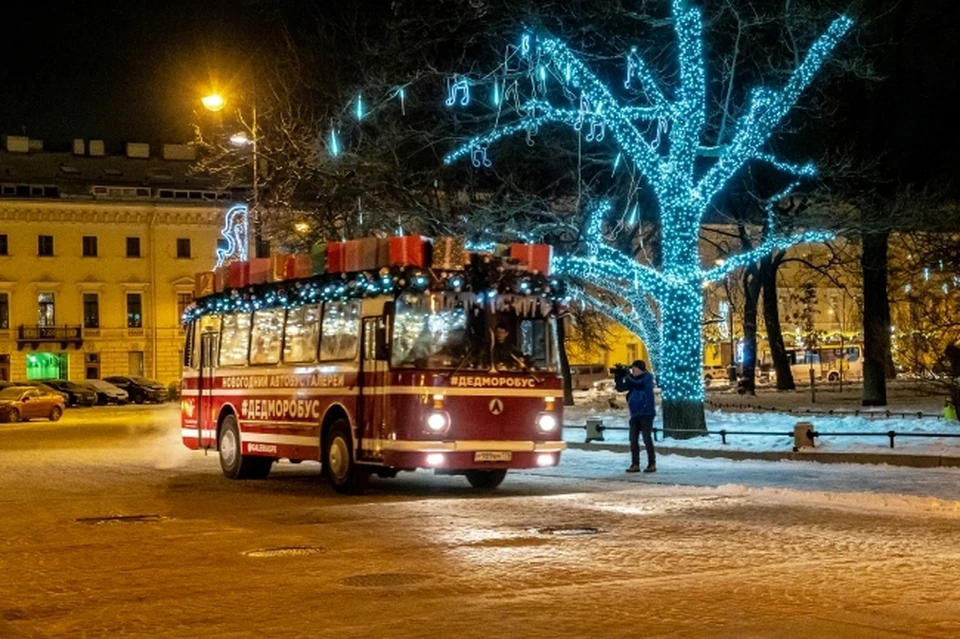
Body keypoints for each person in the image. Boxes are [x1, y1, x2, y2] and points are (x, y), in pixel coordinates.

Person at [615, 359, 657, 473]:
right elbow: (620, 388)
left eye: (634, 369)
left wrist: (628, 375)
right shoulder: (633, 379)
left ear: (640, 369)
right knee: (633, 439)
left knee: (646, 438)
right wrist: (618, 377)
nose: (632, 371)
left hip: (646, 413)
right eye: (631, 369)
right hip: (635, 414)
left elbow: (638, 384)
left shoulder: (647, 378)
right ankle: (635, 464)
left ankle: (651, 463)